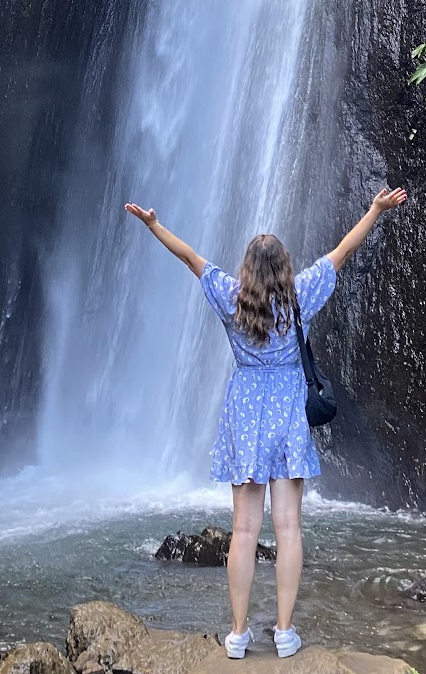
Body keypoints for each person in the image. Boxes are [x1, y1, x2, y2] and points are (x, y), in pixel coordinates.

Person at [124, 187, 408, 659]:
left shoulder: (231, 298)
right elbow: (343, 250)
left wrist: (154, 226)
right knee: (289, 528)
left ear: (247, 271)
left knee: (243, 531)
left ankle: (237, 634)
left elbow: (190, 259)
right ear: (284, 270)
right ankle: (283, 630)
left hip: (245, 410)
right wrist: (375, 210)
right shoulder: (301, 298)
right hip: (288, 411)